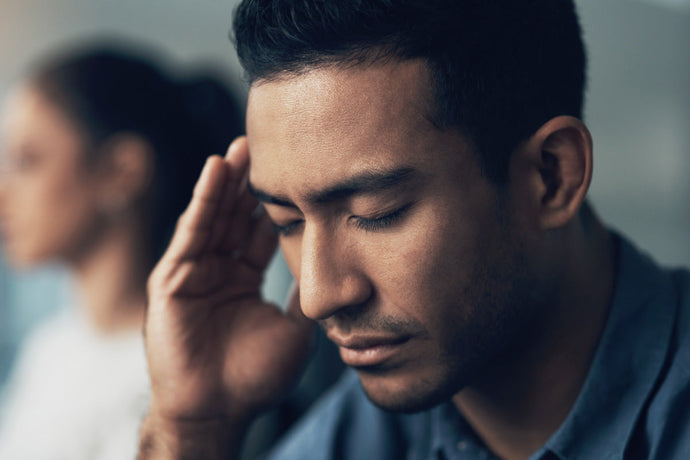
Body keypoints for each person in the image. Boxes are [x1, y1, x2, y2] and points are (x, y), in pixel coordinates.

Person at [137, 1, 690, 459]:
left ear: (552, 176)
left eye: (377, 211)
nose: (318, 295)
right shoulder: (365, 431)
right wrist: (191, 428)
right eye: (288, 221)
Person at [0, 43, 244, 459]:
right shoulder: (48, 350)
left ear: (121, 170)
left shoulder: (185, 374)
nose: (3, 193)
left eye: (27, 161)